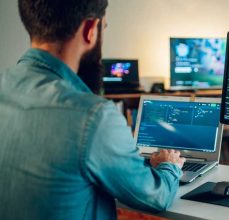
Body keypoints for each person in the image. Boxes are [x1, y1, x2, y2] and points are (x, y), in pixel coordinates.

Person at [0, 0, 185, 219]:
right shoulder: (94, 115)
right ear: (90, 30)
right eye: (103, 28)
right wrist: (169, 166)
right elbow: (156, 197)